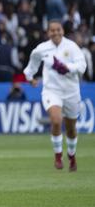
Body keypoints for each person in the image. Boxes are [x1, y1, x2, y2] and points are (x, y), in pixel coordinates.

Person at [23, 20, 86, 171]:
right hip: (52, 90)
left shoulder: (72, 47)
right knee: (56, 120)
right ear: (48, 32)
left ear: (63, 31)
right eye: (52, 30)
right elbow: (33, 61)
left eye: (58, 30)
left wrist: (67, 67)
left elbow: (82, 66)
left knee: (71, 128)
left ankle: (71, 155)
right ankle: (58, 155)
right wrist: (30, 77)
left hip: (71, 92)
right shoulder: (42, 48)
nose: (56, 33)